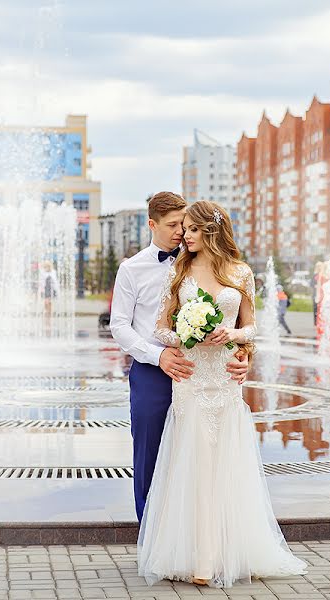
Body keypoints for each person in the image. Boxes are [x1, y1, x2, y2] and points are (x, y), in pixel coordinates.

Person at [140, 200, 306, 588]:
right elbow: (159, 328)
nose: (186, 235)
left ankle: (229, 550)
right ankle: (201, 558)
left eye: (193, 230)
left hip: (226, 382)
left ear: (211, 231)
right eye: (184, 229)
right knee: (195, 465)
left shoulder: (241, 273)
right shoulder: (179, 272)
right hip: (192, 379)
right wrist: (185, 333)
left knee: (224, 466)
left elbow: (251, 328)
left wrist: (233, 337)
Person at [109, 192, 249, 526]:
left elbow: (236, 319)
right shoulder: (131, 269)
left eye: (185, 225)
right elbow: (119, 326)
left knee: (203, 455)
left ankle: (196, 535)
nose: (181, 233)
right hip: (153, 372)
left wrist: (244, 354)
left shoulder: (207, 261)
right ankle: (151, 533)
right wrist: (158, 357)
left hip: (205, 372)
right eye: (173, 225)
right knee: (150, 453)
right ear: (151, 224)